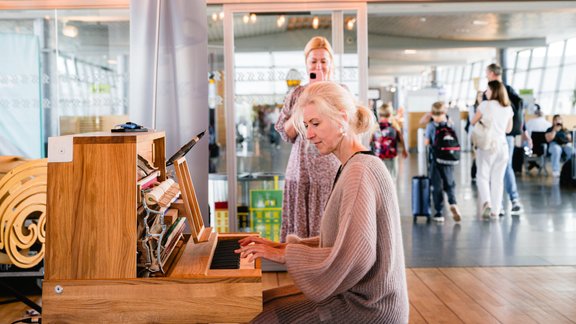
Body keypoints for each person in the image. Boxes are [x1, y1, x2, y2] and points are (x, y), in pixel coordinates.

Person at [237, 81, 409, 323]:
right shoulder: (355, 164)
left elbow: (356, 256)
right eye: (306, 126)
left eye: (315, 124)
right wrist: (279, 248)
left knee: (260, 317)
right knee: (264, 303)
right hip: (363, 300)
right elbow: (346, 240)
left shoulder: (359, 172)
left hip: (368, 310)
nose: (308, 134)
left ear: (341, 119)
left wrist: (285, 256)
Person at [274, 36, 340, 242]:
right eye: (313, 61)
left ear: (330, 64)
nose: (318, 65)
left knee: (329, 231)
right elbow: (285, 133)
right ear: (306, 64)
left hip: (330, 173)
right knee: (300, 235)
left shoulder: (339, 92)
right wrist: (305, 100)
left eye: (323, 61)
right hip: (300, 172)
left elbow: (346, 129)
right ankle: (299, 269)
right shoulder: (296, 94)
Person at [485, 63, 525, 215]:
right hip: (507, 136)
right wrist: (523, 130)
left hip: (495, 136)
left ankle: (500, 204)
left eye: (487, 73)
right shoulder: (510, 90)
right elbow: (518, 113)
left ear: (491, 73)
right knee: (505, 167)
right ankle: (512, 201)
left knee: (494, 169)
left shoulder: (491, 92)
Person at [472, 80, 514, 220]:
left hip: (488, 145)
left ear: (494, 91)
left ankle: (487, 202)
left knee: (482, 176)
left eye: (488, 90)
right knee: (498, 179)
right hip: (503, 146)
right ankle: (495, 211)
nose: (485, 92)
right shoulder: (508, 108)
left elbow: (473, 121)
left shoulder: (484, 105)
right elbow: (508, 129)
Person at [424, 101, 461, 222]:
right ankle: (453, 203)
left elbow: (427, 142)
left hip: (436, 159)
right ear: (444, 112)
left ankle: (439, 212)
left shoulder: (431, 126)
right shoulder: (450, 124)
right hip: (449, 159)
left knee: (437, 185)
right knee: (450, 183)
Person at [370, 103, 408, 179]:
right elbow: (401, 139)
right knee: (392, 178)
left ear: (379, 114)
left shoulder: (375, 127)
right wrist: (404, 150)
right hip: (391, 156)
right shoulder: (394, 126)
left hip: (378, 157)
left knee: (379, 178)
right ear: (390, 114)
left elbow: (370, 141)